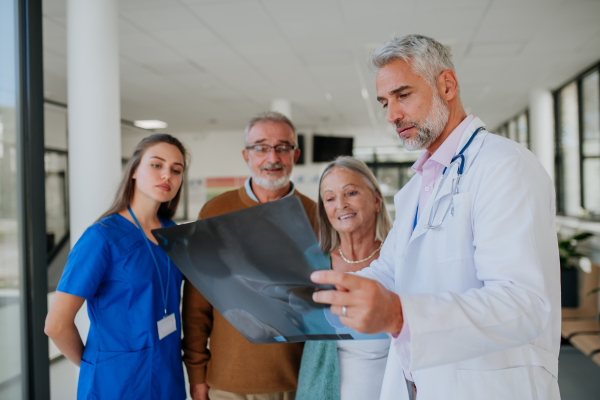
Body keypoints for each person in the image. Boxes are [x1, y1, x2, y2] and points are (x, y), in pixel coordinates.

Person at [311, 34, 561, 400]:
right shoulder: (415, 190)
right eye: (385, 103)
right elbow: (388, 271)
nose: (393, 115)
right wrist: (316, 292)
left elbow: (523, 305)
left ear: (446, 85)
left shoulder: (504, 166)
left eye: (403, 95)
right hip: (420, 384)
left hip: (491, 387)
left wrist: (399, 314)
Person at [183, 111, 318, 400]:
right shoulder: (214, 212)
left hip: (299, 380)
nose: (273, 157)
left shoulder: (316, 216)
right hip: (229, 382)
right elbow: (196, 305)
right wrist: (196, 374)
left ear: (295, 155)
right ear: (247, 155)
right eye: (261, 147)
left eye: (283, 147)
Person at [45, 134, 190, 399]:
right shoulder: (102, 237)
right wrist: (98, 366)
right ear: (134, 170)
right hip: (116, 385)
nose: (166, 175)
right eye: (156, 165)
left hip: (168, 379)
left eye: (176, 170)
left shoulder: (175, 235)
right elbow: (56, 325)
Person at [296, 156, 393, 400]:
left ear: (376, 201)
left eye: (350, 193)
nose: (340, 204)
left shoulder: (398, 260)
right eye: (330, 198)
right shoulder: (312, 266)